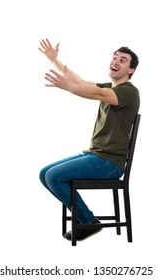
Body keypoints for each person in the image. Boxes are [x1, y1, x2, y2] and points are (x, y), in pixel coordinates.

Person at [38, 38, 140, 241]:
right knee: (44, 174)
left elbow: (97, 93)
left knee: (53, 177)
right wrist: (55, 60)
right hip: (95, 155)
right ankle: (85, 219)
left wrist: (69, 88)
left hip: (110, 163)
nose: (115, 61)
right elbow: (80, 82)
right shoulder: (110, 87)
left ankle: (88, 221)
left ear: (131, 70)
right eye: (114, 57)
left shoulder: (129, 91)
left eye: (122, 60)